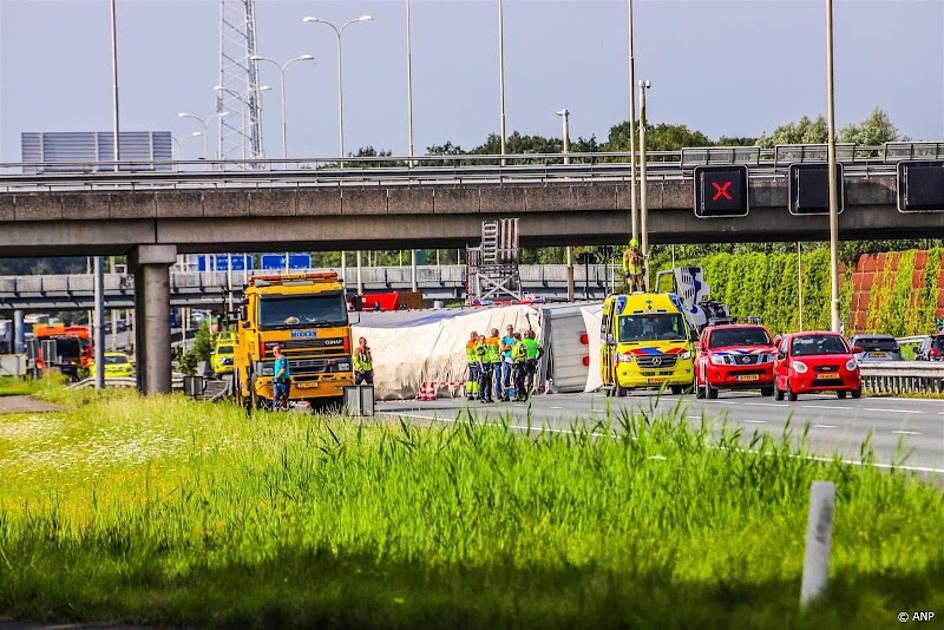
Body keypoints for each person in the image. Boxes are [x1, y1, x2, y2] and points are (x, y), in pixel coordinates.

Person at [521, 329, 545, 397]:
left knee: (522, 376)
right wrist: (537, 358)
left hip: (524, 360)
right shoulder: (535, 343)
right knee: (530, 375)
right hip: (532, 361)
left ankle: (522, 391)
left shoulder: (522, 342)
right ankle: (529, 390)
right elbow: (542, 351)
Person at [499, 324, 516, 401]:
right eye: (508, 329)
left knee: (515, 377)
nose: (510, 330)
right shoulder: (504, 338)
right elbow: (502, 348)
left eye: (511, 329)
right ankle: (506, 395)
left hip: (514, 359)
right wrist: (509, 347)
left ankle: (516, 394)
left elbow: (517, 346)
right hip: (506, 359)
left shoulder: (515, 338)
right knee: (506, 376)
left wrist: (508, 347)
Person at [474, 334, 493, 403]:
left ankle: (488, 397)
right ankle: (481, 397)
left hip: (487, 364)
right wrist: (482, 367)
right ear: (479, 340)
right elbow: (480, 358)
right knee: (483, 382)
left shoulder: (485, 346)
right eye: (483, 339)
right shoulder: (480, 347)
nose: (484, 340)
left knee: (489, 382)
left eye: (485, 338)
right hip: (483, 365)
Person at [485, 328, 503, 399]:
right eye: (498, 332)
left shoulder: (487, 340)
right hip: (496, 360)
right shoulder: (498, 339)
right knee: (498, 377)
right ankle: (498, 393)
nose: (499, 333)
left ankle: (488, 394)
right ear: (495, 333)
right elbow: (502, 347)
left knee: (489, 378)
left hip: (489, 360)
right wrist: (500, 354)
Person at [272, 344, 291, 411]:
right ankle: (276, 410)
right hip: (277, 382)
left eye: (274, 352)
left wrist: (276, 377)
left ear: (275, 352)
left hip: (283, 382)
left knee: (284, 398)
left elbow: (283, 370)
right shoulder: (277, 360)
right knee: (276, 398)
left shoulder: (283, 359)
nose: (273, 354)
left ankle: (284, 410)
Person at [511, 332, 528, 401]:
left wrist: (515, 357)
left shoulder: (519, 345)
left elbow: (523, 353)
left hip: (519, 363)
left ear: (515, 338)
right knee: (517, 380)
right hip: (517, 363)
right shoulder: (518, 345)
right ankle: (519, 395)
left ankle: (523, 394)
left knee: (518, 380)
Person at [465, 331, 480, 401]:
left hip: (470, 362)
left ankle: (469, 394)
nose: (477, 337)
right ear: (474, 336)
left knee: (470, 379)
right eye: (476, 336)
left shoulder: (468, 343)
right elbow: (477, 351)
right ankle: (476, 394)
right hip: (475, 363)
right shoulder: (474, 344)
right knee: (475, 379)